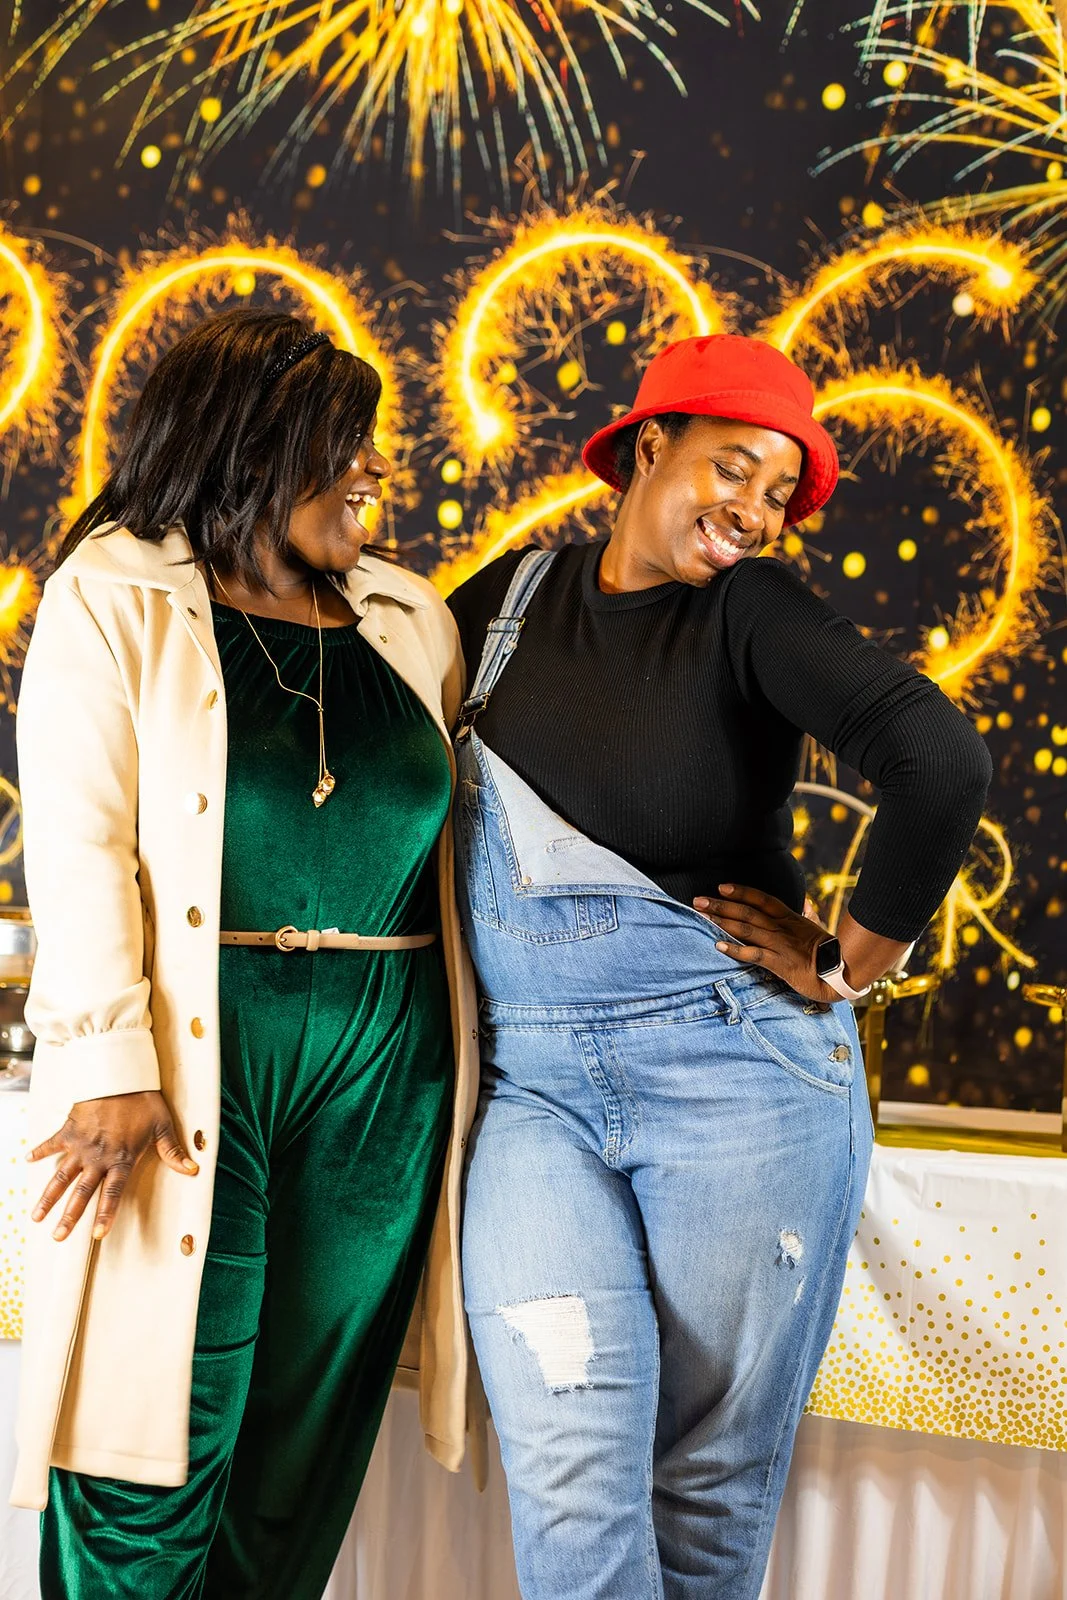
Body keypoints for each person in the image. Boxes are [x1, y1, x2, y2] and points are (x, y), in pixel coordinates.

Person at [447, 334, 992, 1600]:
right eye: (732, 470)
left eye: (777, 494)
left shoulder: (751, 611)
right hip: (530, 1096)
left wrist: (848, 962)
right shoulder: (508, 601)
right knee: (570, 1469)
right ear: (650, 446)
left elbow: (939, 761)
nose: (752, 511)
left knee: (701, 1488)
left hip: (732, 1081)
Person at [12, 308, 479, 1599]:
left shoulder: (410, 620)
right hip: (192, 1062)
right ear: (253, 444)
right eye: (346, 443)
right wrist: (107, 1057)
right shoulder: (114, 593)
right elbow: (80, 836)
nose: (375, 470)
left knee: (298, 1448)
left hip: (384, 1079)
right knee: (152, 1439)